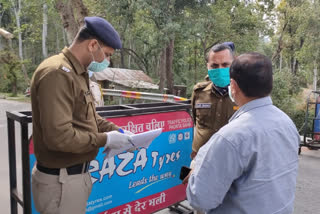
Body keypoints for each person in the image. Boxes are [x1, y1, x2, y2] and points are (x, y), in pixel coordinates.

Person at [30, 16, 134, 214]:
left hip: (74, 177)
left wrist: (117, 132)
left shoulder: (78, 73)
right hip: (61, 181)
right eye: (107, 54)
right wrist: (106, 139)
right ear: (93, 44)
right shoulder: (57, 73)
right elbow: (59, 137)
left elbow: (90, 117)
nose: (107, 61)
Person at [185, 52, 300, 214]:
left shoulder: (230, 138)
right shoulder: (287, 123)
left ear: (233, 86)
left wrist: (196, 173)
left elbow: (201, 199)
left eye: (225, 65)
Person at [190, 42, 238, 160]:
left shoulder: (243, 95)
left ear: (233, 65)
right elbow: (195, 122)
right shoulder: (199, 92)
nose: (220, 69)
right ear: (208, 66)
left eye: (225, 64)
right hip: (200, 159)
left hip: (231, 161)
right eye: (214, 66)